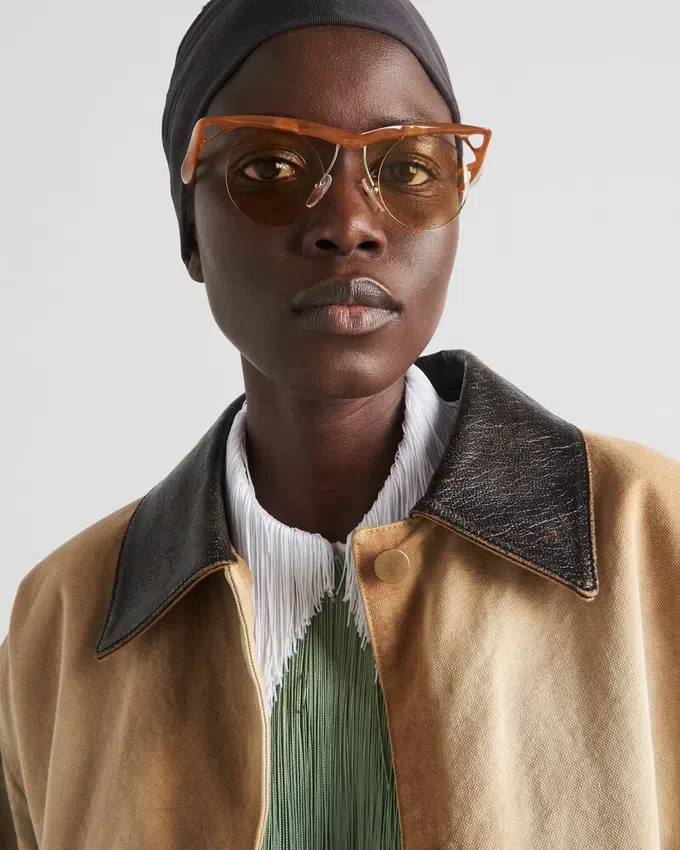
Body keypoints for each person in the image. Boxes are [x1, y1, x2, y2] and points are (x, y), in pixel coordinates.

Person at [1, 0, 679, 848]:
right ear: (190, 230)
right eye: (270, 167)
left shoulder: (650, 536)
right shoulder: (65, 619)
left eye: (408, 168)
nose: (349, 226)